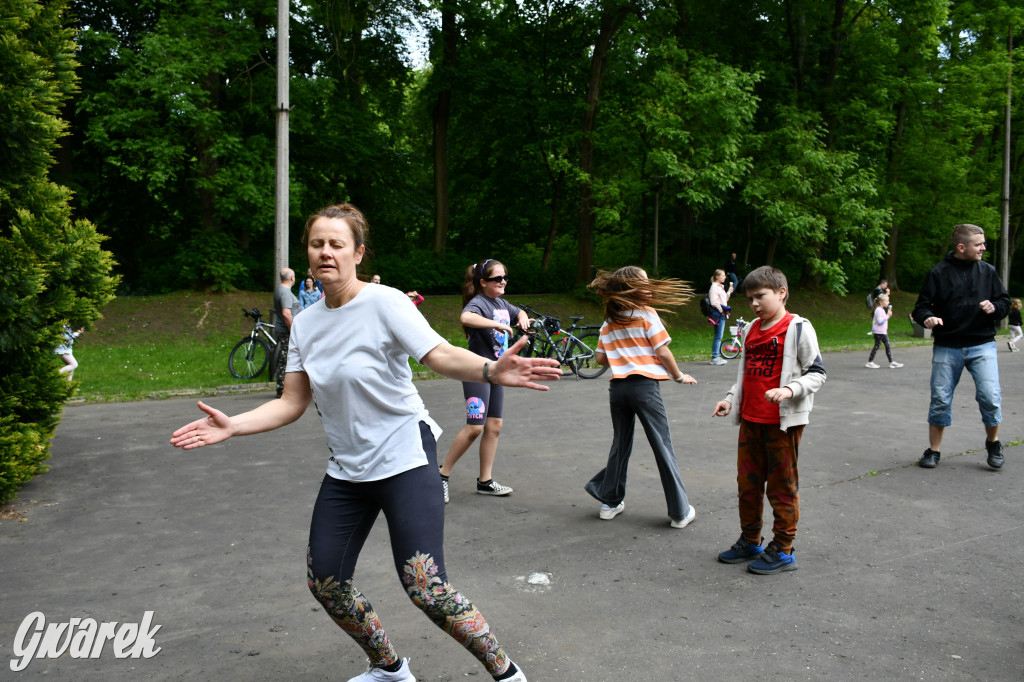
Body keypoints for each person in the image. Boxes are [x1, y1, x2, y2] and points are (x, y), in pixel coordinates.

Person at [170, 203, 556, 682]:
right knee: (326, 582)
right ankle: (390, 668)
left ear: (358, 253)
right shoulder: (305, 324)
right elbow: (292, 401)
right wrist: (234, 425)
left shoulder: (385, 302)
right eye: (316, 244)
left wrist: (489, 369)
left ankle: (506, 672)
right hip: (348, 470)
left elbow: (437, 354)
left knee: (425, 587)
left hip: (404, 456)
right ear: (307, 254)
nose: (325, 253)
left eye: (336, 244)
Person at [712, 265, 827, 575]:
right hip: (750, 420)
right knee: (747, 486)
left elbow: (817, 373)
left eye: (760, 296)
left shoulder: (798, 327)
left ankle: (783, 548)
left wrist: (790, 389)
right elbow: (746, 375)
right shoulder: (750, 329)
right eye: (749, 299)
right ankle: (751, 540)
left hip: (782, 423)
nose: (754, 304)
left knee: (781, 486)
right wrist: (730, 398)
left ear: (781, 293)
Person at [583, 266, 698, 529]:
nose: (649, 288)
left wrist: (621, 351)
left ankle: (609, 503)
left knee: (620, 445)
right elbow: (664, 352)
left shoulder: (610, 321)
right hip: (644, 388)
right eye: (644, 283)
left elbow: (600, 358)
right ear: (633, 288)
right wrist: (679, 376)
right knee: (662, 445)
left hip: (618, 390)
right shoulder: (647, 314)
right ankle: (680, 512)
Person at [912, 223, 1010, 470]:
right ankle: (933, 451)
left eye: (983, 243)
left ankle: (993, 442)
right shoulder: (938, 273)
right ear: (961, 247)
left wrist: (995, 308)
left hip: (982, 345)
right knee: (940, 399)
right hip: (948, 346)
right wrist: (928, 318)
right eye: (979, 244)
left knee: (990, 397)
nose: (983, 248)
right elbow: (921, 307)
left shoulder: (988, 271)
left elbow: (1004, 301)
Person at [438, 260, 530, 504]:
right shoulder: (479, 302)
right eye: (497, 279)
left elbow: (518, 311)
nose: (502, 282)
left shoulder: (500, 302)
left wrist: (522, 317)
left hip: (496, 372)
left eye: (505, 277)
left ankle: (485, 482)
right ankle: (442, 476)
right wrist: (498, 324)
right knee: (475, 427)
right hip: (476, 371)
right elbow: (466, 317)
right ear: (482, 282)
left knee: (494, 426)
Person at [273, 267, 301, 397]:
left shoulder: (281, 290)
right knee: (286, 359)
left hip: (284, 330)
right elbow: (286, 313)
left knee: (286, 358)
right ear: (292, 278)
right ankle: (282, 389)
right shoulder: (285, 292)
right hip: (286, 331)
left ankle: (285, 388)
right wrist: (293, 331)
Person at [865, 293, 902, 369]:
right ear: (881, 302)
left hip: (882, 332)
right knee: (877, 346)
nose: (888, 302)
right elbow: (880, 321)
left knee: (887, 346)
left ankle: (891, 362)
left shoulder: (881, 310)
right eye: (887, 301)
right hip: (879, 332)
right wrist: (888, 315)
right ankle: (870, 362)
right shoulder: (878, 310)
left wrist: (887, 315)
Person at [708, 269, 734, 366]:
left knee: (719, 335)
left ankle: (716, 356)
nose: (725, 277)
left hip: (722, 314)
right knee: (718, 336)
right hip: (719, 315)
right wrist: (722, 310)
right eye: (723, 275)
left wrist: (728, 292)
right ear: (717, 276)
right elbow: (713, 302)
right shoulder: (714, 287)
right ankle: (715, 357)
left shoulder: (720, 287)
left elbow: (724, 300)